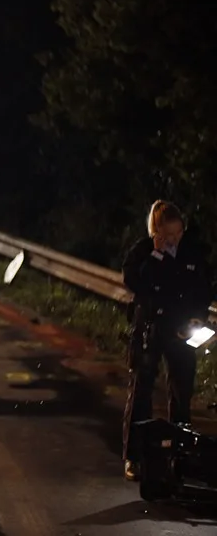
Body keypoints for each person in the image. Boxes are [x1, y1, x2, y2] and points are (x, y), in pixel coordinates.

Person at [121, 199, 213, 481]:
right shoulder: (144, 252)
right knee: (141, 391)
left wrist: (198, 317)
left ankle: (180, 455)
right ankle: (135, 457)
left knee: (182, 391)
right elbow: (135, 280)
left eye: (178, 233)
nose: (174, 239)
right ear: (156, 231)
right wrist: (156, 256)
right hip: (150, 327)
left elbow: (205, 287)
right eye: (168, 234)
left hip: (181, 330)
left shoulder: (192, 253)